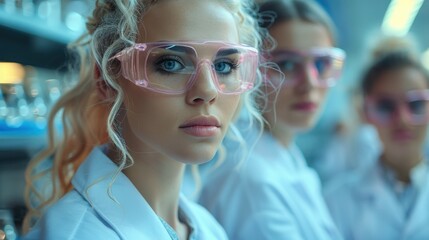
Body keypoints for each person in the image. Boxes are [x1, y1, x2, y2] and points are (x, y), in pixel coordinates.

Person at [21, 0, 263, 239]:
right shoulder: (76, 234)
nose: (208, 91)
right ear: (106, 81)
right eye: (171, 63)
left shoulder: (209, 229)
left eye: (223, 66)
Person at [198, 0, 345, 239]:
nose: (309, 83)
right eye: (286, 64)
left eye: (321, 63)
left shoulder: (284, 154)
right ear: (248, 70)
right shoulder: (252, 182)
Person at [324, 51, 429, 240]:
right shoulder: (337, 199)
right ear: (365, 113)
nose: (403, 120)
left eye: (416, 105)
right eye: (386, 107)